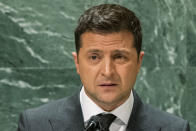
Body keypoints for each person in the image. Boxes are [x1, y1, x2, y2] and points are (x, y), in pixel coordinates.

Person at [17, 4, 190, 131]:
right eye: (94, 57)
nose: (107, 71)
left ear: (138, 62)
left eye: (119, 57)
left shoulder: (176, 129)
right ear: (77, 63)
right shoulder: (34, 124)